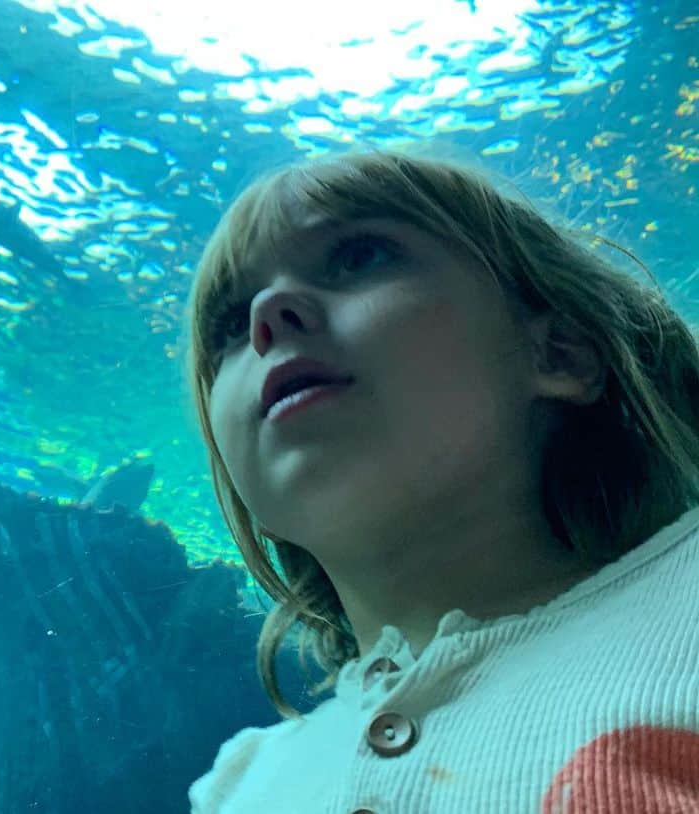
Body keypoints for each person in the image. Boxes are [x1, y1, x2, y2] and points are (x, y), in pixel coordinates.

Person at [183, 150, 699, 812]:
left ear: (559, 351)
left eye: (359, 256)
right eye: (229, 324)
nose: (269, 314)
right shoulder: (240, 785)